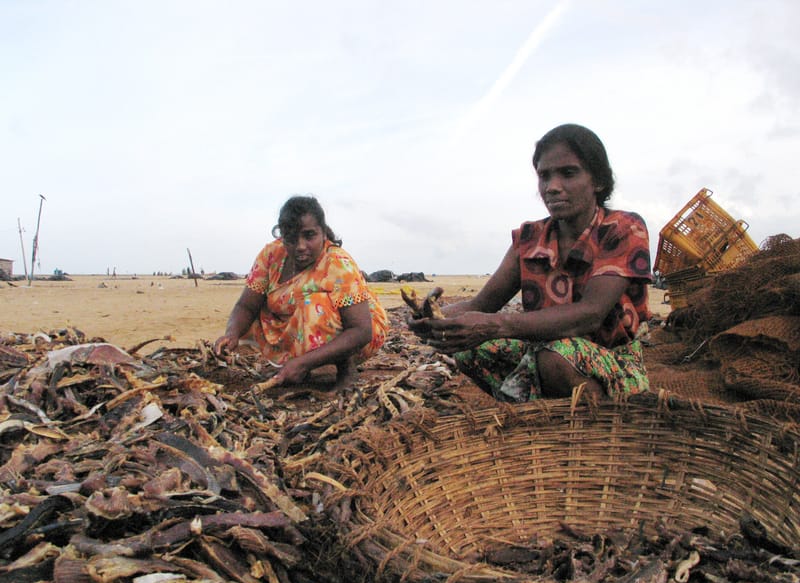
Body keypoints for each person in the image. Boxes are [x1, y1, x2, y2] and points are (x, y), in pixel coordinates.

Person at [409, 124, 652, 403]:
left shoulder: (622, 228)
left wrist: (495, 326)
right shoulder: (529, 239)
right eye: (544, 176)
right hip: (543, 353)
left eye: (568, 173)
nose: (552, 187)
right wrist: (432, 318)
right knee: (468, 350)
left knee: (555, 358)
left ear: (598, 181)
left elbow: (590, 314)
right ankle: (542, 409)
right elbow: (481, 305)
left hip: (612, 362)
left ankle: (601, 414)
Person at [214, 196, 389, 387]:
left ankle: (339, 367)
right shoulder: (271, 255)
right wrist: (231, 334)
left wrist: (303, 363)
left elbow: (361, 330)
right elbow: (247, 305)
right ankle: (305, 363)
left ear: (323, 233)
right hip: (301, 327)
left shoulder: (338, 264)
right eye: (291, 238)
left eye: (309, 235)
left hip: (361, 331)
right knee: (262, 310)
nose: (300, 246)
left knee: (313, 305)